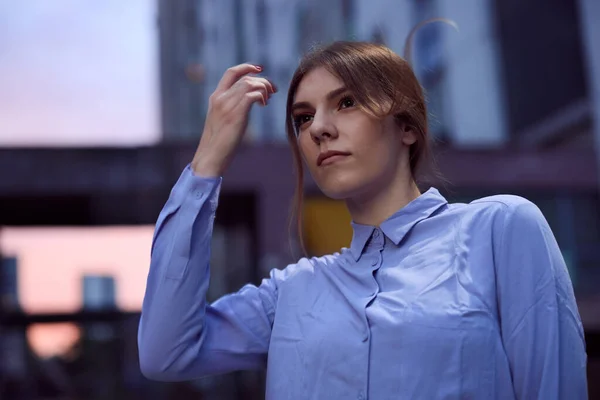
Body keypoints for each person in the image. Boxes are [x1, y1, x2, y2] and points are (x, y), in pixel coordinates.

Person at [138, 40, 588, 399]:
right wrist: (208, 161)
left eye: (347, 102)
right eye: (302, 118)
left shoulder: (500, 229)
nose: (318, 129)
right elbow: (166, 352)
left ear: (407, 127)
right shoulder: (290, 293)